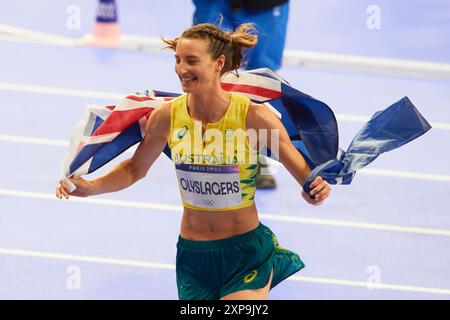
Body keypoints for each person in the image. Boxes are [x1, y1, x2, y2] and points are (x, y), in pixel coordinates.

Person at [56, 23, 330, 300]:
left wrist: (314, 192)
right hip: (194, 257)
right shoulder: (166, 117)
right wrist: (91, 187)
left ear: (218, 63)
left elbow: (305, 176)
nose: (181, 69)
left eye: (191, 61)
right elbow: (134, 169)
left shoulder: (255, 118)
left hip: (245, 254)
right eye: (177, 60)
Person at [192, 0, 290, 189]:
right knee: (204, 69)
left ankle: (256, 158)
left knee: (260, 81)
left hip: (266, 6)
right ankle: (206, 154)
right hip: (213, 3)